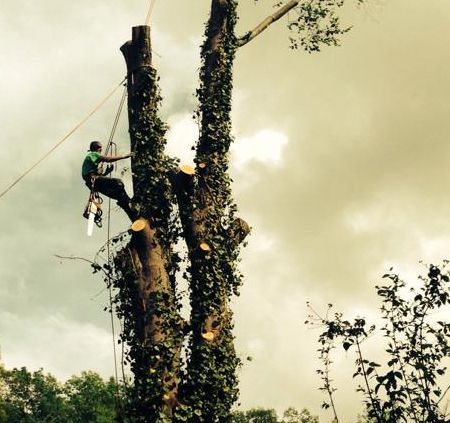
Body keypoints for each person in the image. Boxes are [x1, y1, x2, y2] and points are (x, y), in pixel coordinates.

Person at [81, 141, 135, 220]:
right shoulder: (93, 154)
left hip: (95, 183)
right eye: (100, 148)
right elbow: (107, 159)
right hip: (93, 180)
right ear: (97, 148)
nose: (101, 150)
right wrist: (124, 156)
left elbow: (99, 178)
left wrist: (107, 172)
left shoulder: (92, 162)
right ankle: (129, 202)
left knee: (118, 195)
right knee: (118, 183)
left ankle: (132, 215)